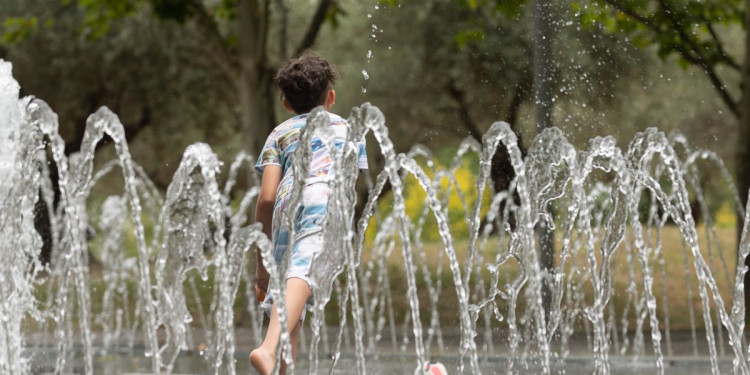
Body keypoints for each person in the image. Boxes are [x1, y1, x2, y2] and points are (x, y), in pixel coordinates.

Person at [250, 51, 368, 375]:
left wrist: (261, 265)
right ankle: (267, 349)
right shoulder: (349, 131)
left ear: (286, 103)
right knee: (303, 273)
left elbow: (267, 198)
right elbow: (347, 187)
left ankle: (279, 364)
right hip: (323, 203)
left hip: (286, 206)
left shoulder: (279, 133)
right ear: (330, 97)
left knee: (291, 298)